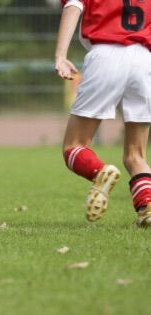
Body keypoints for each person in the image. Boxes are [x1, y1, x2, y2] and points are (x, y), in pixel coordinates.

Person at [55, 0, 151, 228]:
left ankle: (101, 172)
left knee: (74, 145)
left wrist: (60, 55)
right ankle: (147, 208)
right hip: (145, 60)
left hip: (106, 54)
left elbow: (73, 7)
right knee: (136, 155)